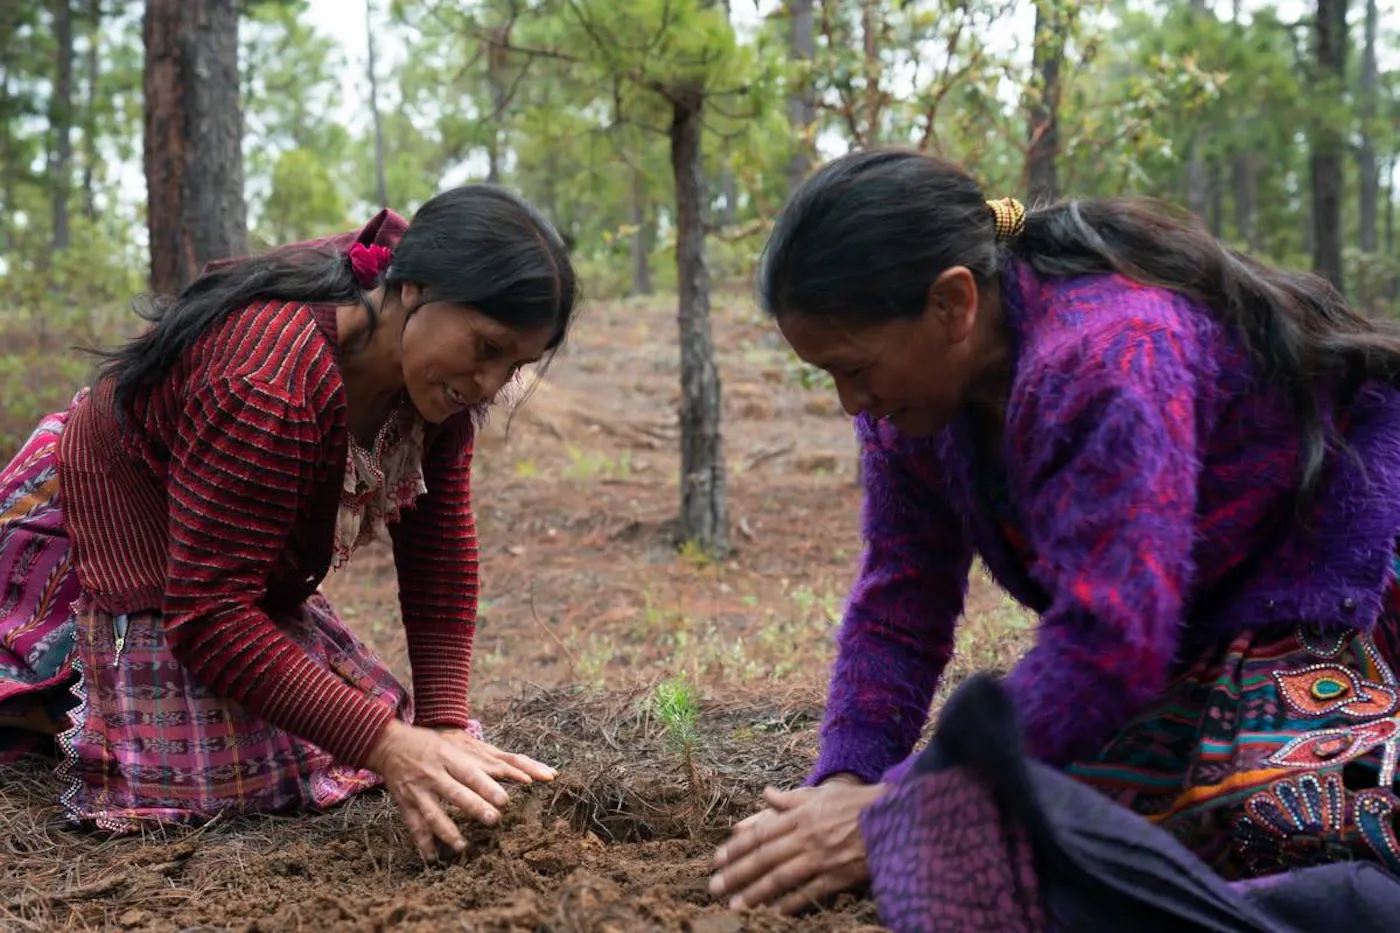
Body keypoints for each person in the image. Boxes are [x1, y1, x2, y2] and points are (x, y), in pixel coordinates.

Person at [708, 147, 1400, 918]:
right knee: (1010, 838)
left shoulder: (1110, 356)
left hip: (1324, 575)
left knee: (1301, 826)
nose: (850, 403)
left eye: (856, 369)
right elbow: (901, 600)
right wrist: (847, 781)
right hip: (1188, 620)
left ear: (952, 305)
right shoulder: (913, 406)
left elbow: (1110, 645)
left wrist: (895, 805)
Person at [0, 186, 574, 860]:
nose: (490, 382)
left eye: (515, 365)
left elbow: (438, 554)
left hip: (213, 560)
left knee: (362, 730)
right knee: (251, 764)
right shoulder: (268, 378)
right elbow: (210, 613)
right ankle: (47, 698)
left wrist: (445, 721)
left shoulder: (433, 381)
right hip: (99, 528)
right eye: (486, 346)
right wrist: (386, 742)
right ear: (414, 288)